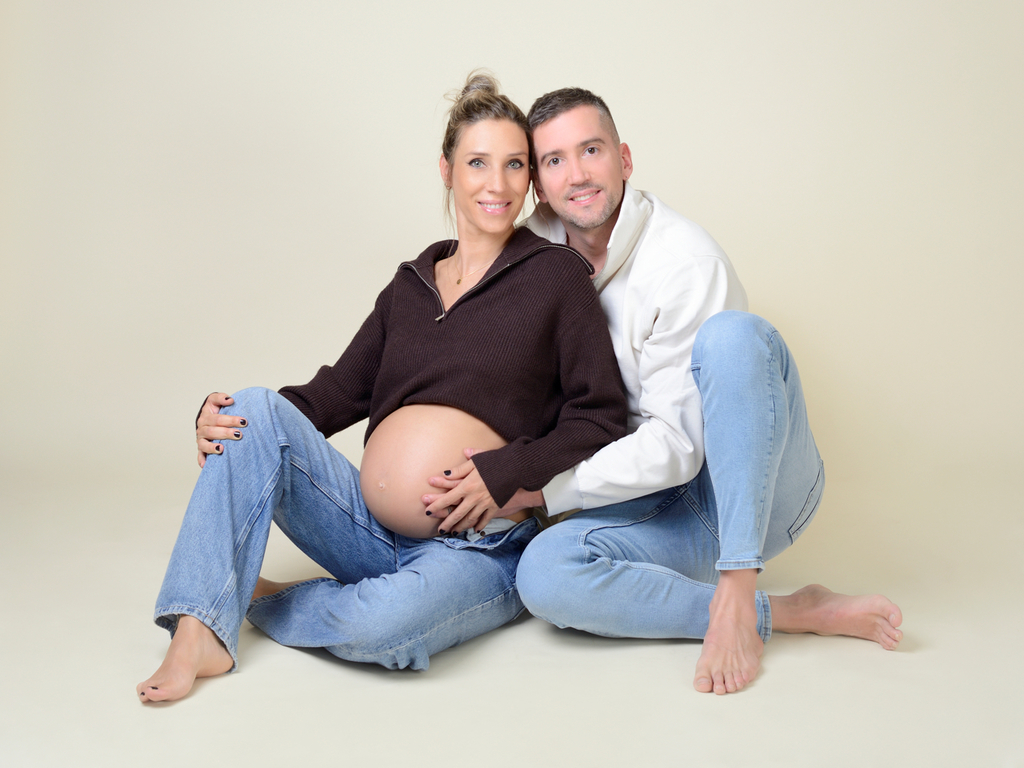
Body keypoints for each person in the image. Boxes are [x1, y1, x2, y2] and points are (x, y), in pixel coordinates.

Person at [136, 75, 628, 703]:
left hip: (481, 548)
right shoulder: (410, 285)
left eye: (515, 165)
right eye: (478, 162)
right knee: (253, 407)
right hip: (364, 529)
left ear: (531, 179)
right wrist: (225, 421)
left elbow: (601, 417)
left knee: (384, 628)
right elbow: (336, 393)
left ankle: (261, 599)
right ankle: (197, 630)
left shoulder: (556, 277)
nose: (497, 184)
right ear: (447, 170)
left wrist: (507, 470)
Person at [425, 87, 903, 696]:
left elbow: (678, 446)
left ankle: (738, 585)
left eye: (592, 150)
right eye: (554, 160)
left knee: (733, 338)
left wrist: (535, 486)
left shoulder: (686, 263)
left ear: (624, 159)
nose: (577, 175)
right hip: (648, 502)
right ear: (538, 185)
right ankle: (787, 611)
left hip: (743, 488)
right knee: (544, 575)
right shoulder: (531, 252)